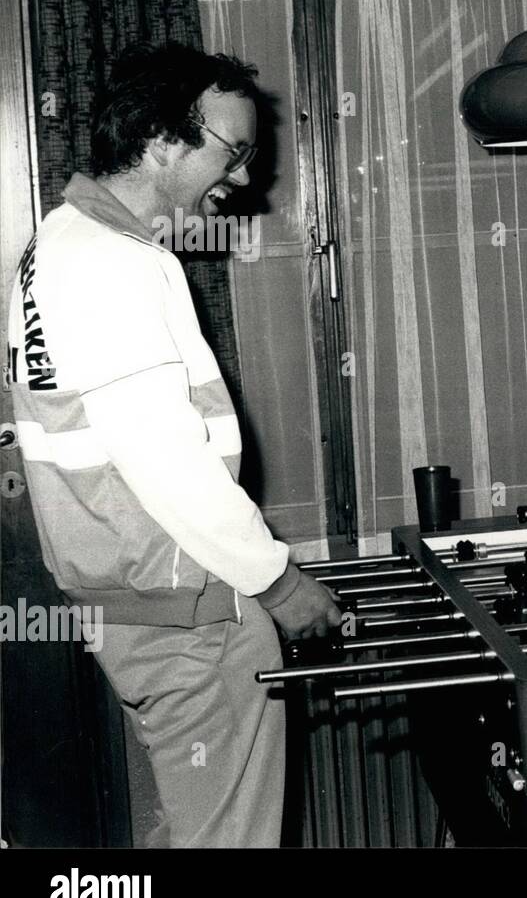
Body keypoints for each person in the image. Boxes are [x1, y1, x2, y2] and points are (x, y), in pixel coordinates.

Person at [6, 42, 342, 847]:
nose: (243, 180)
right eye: (233, 152)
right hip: (192, 614)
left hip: (138, 607)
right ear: (162, 139)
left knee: (195, 831)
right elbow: (165, 460)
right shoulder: (114, 265)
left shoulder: (55, 245)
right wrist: (279, 582)